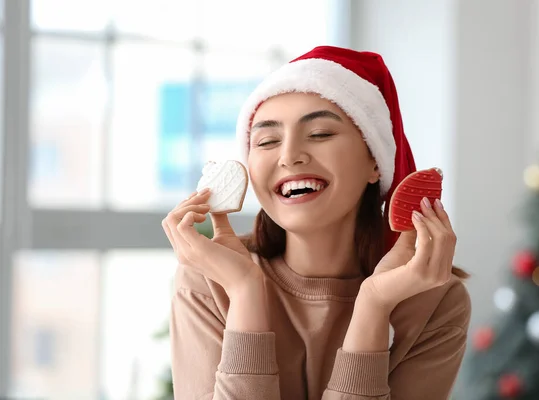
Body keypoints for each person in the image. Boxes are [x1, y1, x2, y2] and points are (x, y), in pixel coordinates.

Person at [162, 46, 471, 400]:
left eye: (320, 133)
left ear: (376, 161)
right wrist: (245, 291)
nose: (290, 155)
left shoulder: (432, 299)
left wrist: (373, 305)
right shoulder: (211, 279)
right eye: (266, 141)